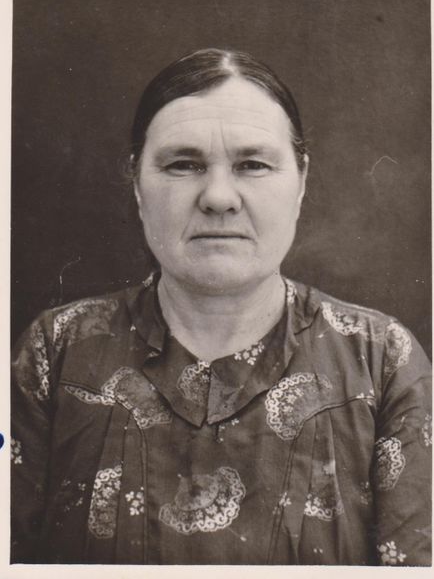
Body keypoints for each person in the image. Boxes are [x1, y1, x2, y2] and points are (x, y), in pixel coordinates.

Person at [11, 48, 431, 565]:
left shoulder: (381, 361)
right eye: (183, 165)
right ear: (138, 184)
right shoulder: (55, 353)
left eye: (252, 165)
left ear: (301, 181)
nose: (217, 197)